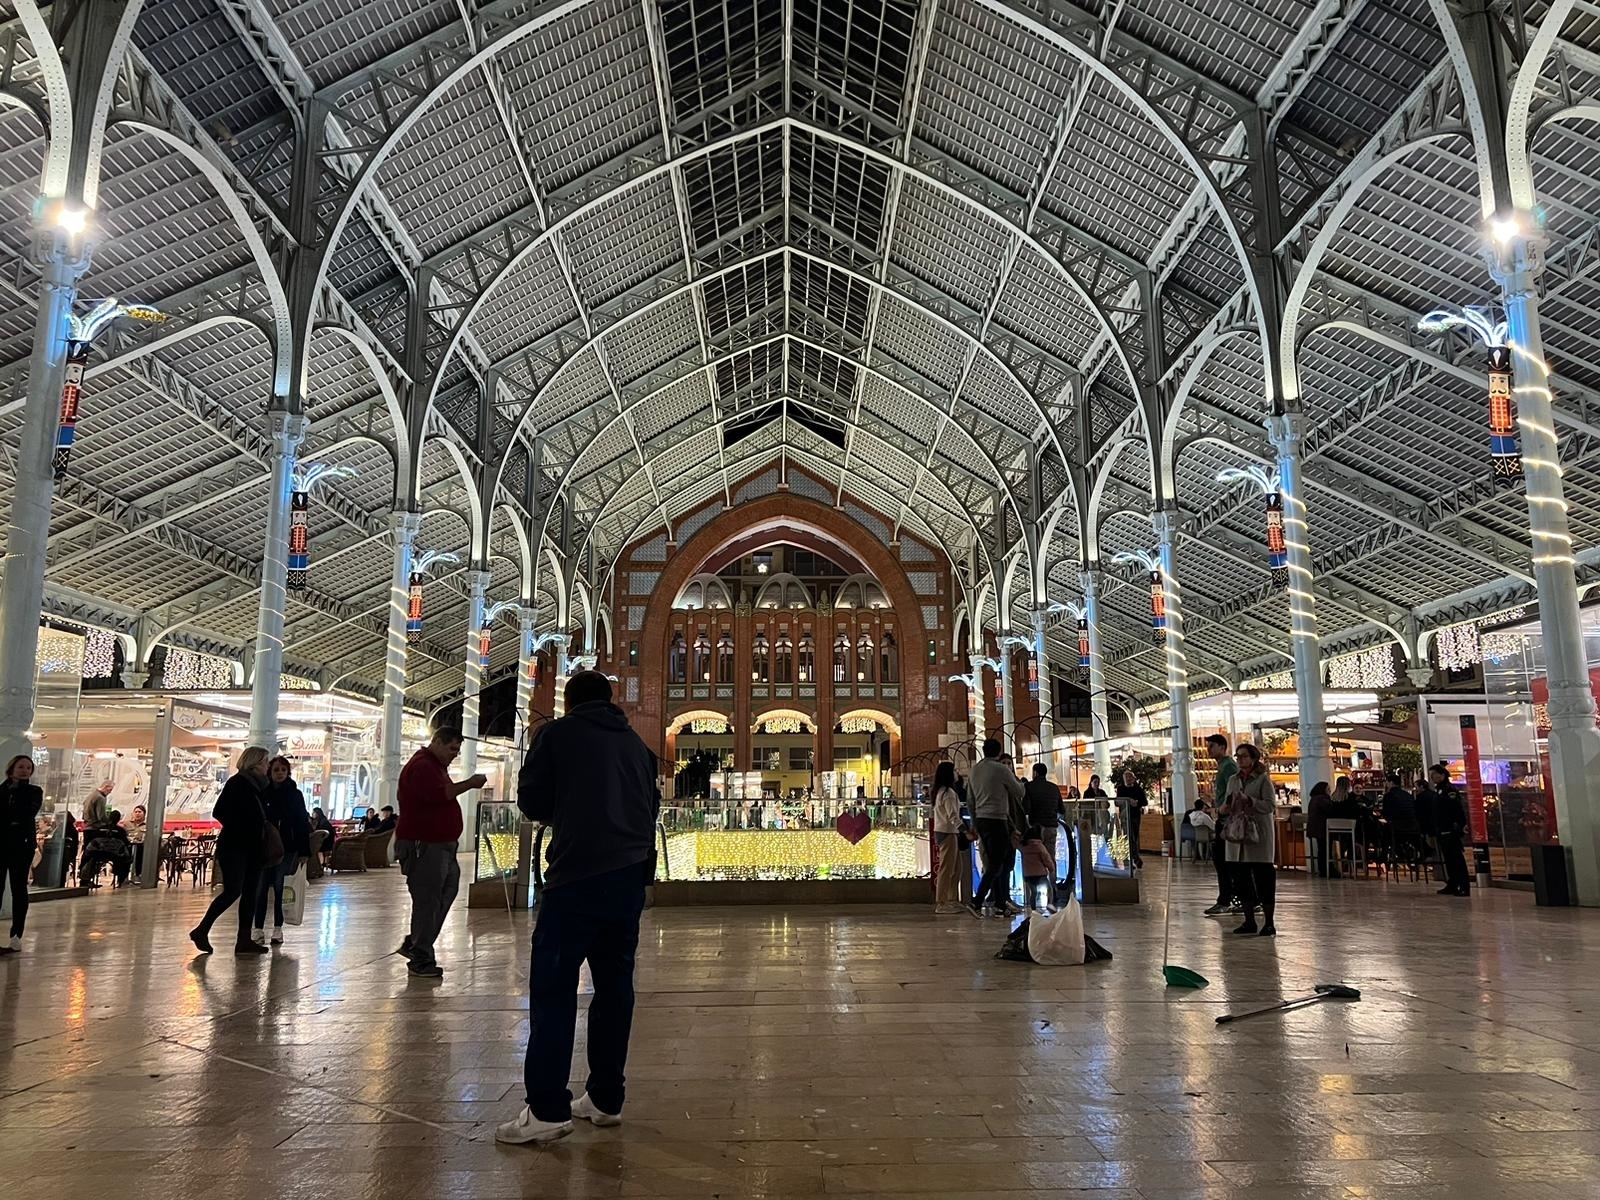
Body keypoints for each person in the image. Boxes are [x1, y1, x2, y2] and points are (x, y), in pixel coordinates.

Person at [498, 670, 659, 1146]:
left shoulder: (558, 736)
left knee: (553, 989)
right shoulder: (636, 746)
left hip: (576, 877)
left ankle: (547, 1108)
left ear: (568, 703)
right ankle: (606, 1098)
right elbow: (650, 807)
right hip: (628, 879)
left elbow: (531, 801)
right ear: (610, 700)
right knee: (614, 990)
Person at [395, 727, 486, 977]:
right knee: (428, 899)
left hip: (441, 845)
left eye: (457, 750)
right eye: (452, 749)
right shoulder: (423, 766)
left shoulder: (436, 767)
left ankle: (417, 942)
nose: (454, 754)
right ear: (436, 742)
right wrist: (469, 783)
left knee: (446, 891)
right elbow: (439, 795)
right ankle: (420, 956)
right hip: (424, 845)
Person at [189, 746, 272, 956]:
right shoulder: (238, 783)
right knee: (233, 890)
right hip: (236, 846)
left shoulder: (259, 786)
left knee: (250, 892)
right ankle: (202, 929)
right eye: (265, 761)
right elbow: (220, 811)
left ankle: (243, 939)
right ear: (254, 763)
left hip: (254, 847)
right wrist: (243, 827)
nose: (267, 766)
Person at [253, 757, 312, 945]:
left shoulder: (295, 795)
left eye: (283, 770)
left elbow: (302, 822)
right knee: (261, 888)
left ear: (288, 773)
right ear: (270, 772)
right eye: (276, 770)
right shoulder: (263, 793)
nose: (279, 773)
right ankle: (258, 928)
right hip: (264, 848)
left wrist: (304, 851)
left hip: (287, 848)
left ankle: (278, 928)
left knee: (281, 887)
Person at [966, 738, 1025, 918]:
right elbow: (1019, 791)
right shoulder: (1001, 769)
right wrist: (1021, 783)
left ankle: (1000, 904)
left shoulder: (974, 770)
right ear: (999, 752)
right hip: (998, 819)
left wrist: (974, 823)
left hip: (981, 820)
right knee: (998, 863)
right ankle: (976, 902)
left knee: (995, 860)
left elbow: (970, 800)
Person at [1224, 744, 1277, 936]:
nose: (1240, 760)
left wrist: (1251, 801)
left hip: (1258, 837)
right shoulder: (1233, 780)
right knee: (1241, 881)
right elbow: (1226, 803)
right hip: (1237, 837)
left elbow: (1270, 805)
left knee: (1264, 879)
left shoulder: (1263, 780)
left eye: (1244, 757)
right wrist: (1226, 807)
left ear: (1253, 758)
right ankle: (1249, 921)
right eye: (1238, 757)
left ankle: (1269, 922)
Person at [1, 756, 43, 954]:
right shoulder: (2, 790)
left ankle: (16, 935)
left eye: (28, 767)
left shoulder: (34, 792)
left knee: (18, 889)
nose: (25, 770)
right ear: (12, 769)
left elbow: (25, 813)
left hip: (21, 845)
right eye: (20, 766)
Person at [1024, 763, 1075, 893]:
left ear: (1035, 773)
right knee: (1050, 858)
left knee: (1034, 859)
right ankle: (1053, 888)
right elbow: (1062, 809)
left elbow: (1026, 808)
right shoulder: (1054, 788)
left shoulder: (1029, 787)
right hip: (1052, 827)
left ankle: (1034, 891)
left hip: (1035, 830)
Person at [1202, 735, 1238, 915]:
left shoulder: (1229, 766)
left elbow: (1234, 792)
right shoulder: (1222, 766)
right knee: (1223, 860)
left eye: (1212, 746)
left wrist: (1224, 808)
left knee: (1224, 861)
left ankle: (1227, 899)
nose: (1209, 750)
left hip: (1227, 820)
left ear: (1223, 747)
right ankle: (1230, 898)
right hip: (1222, 817)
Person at [931, 761, 973, 914]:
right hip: (947, 832)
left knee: (956, 867)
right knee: (947, 868)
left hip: (948, 832)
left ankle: (951, 899)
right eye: (954, 770)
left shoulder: (942, 791)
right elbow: (953, 816)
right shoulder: (948, 793)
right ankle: (942, 902)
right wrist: (965, 830)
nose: (957, 773)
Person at [1430, 762, 1471, 896]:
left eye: (1434, 774)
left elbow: (1457, 810)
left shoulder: (1449, 790)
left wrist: (1459, 825)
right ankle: (1453, 883)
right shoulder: (1439, 790)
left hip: (1450, 829)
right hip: (1442, 828)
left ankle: (1463, 885)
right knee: (1448, 858)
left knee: (1456, 857)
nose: (1432, 777)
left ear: (1442, 775)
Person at [1114, 769, 1147, 869]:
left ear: (1133, 778)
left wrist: (1136, 803)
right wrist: (1127, 801)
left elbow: (1144, 802)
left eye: (1129, 777)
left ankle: (1134, 858)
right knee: (1129, 837)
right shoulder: (1121, 789)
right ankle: (1134, 859)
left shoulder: (1138, 789)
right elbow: (1117, 802)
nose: (1128, 779)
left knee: (1134, 838)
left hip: (1135, 816)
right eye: (1126, 777)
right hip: (1125, 816)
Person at [1020, 826, 1055, 912]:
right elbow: (1046, 859)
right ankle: (1050, 904)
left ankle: (1033, 909)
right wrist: (1051, 868)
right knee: (1049, 888)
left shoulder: (1023, 847)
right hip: (1040, 874)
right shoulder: (1040, 846)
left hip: (1028, 875)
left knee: (1033, 892)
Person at [1305, 780, 1332, 878]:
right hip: (1322, 828)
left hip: (1314, 828)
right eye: (1328, 789)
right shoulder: (1322, 799)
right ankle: (1326, 870)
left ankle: (1322, 870)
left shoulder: (1314, 799)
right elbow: (1330, 810)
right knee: (1325, 849)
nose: (1329, 791)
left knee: (1321, 849)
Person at [126, 805, 148, 882]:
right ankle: (124, 875)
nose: (137, 814)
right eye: (136, 812)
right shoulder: (127, 824)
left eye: (139, 812)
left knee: (141, 852)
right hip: (128, 846)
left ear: (144, 814)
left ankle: (138, 874)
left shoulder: (148, 825)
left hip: (141, 846)